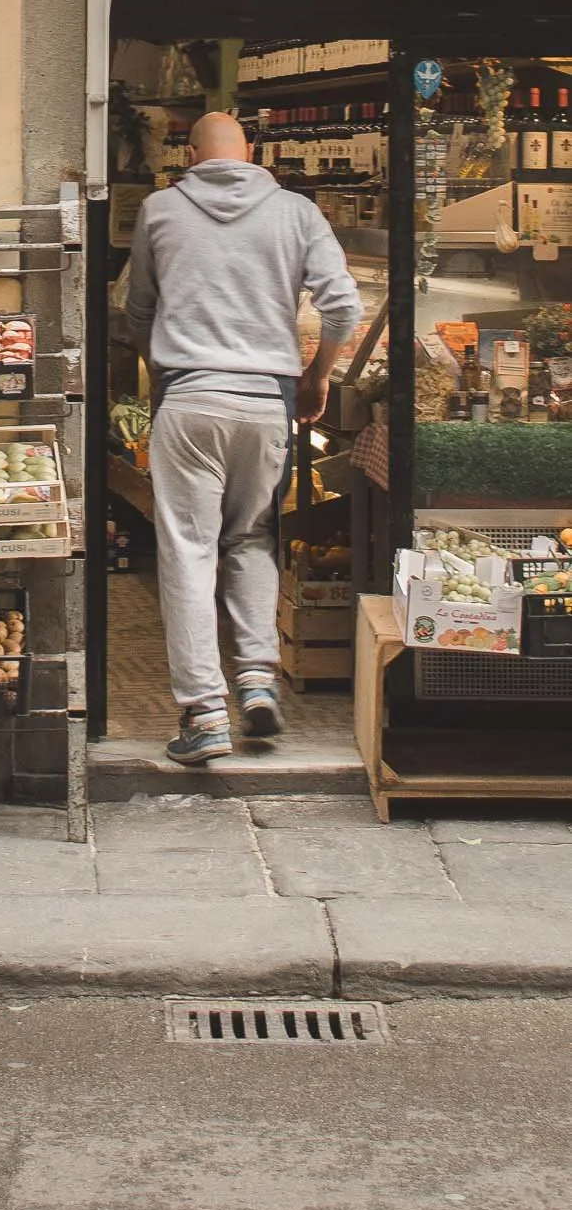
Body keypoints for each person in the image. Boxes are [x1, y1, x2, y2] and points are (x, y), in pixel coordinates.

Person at [125, 113, 362, 767]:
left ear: (193, 155)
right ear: (252, 154)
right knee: (254, 539)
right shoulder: (296, 212)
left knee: (188, 552)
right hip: (267, 402)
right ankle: (258, 678)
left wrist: (162, 366)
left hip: (190, 396)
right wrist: (317, 378)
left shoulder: (159, 208)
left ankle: (204, 714)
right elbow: (344, 306)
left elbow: (137, 309)